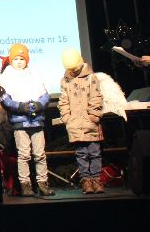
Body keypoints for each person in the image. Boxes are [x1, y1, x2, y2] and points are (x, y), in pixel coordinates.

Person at [0, 44, 54, 197]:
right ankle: (25, 185)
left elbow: (45, 94)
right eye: (15, 58)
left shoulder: (35, 74)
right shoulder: (6, 77)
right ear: (11, 60)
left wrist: (38, 105)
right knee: (24, 155)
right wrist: (21, 107)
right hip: (20, 122)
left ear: (27, 60)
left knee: (40, 154)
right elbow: (5, 99)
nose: (19, 62)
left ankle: (43, 183)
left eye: (22, 59)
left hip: (37, 121)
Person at [58, 48, 105, 194]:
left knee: (95, 152)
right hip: (75, 124)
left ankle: (96, 180)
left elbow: (96, 97)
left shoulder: (91, 78)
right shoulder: (65, 80)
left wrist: (94, 115)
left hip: (91, 123)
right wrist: (67, 118)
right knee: (81, 153)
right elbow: (63, 101)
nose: (73, 71)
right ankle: (86, 180)